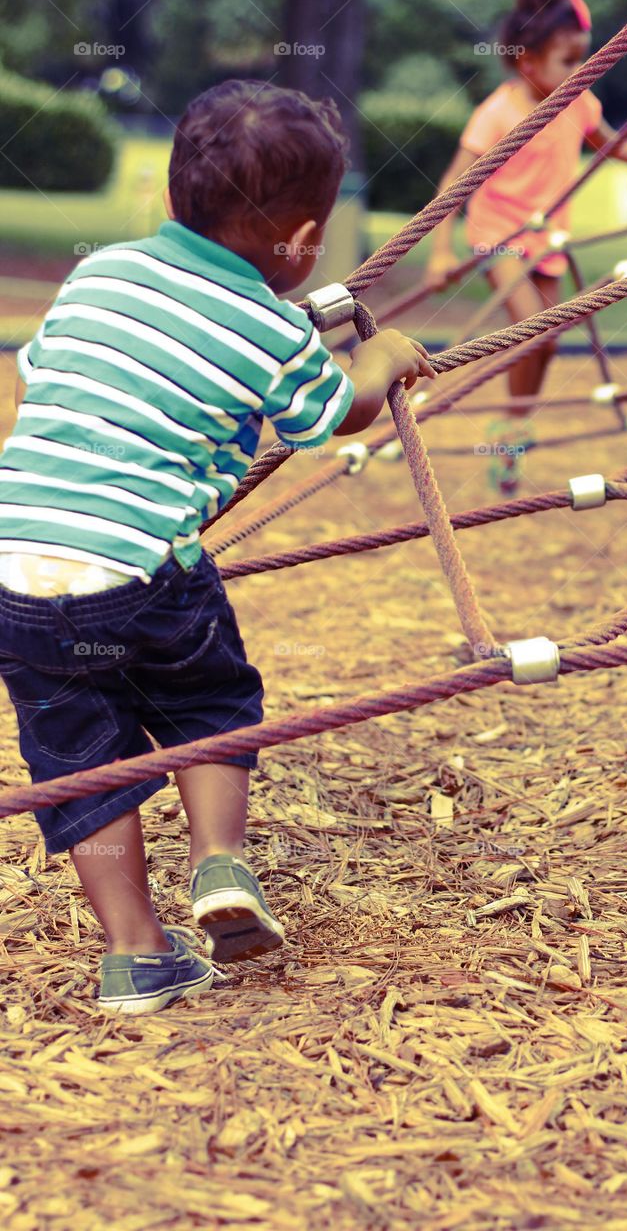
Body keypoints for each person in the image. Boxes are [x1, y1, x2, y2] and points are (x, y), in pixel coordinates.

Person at [0, 79, 434, 1015]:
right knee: (207, 698)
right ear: (306, 240)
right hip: (141, 574)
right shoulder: (271, 328)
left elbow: (44, 376)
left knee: (80, 764)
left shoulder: (100, 274)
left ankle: (134, 955)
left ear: (169, 195)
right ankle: (219, 865)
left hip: (18, 574)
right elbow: (340, 412)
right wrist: (385, 356)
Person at [425, 0, 627, 494]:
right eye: (569, 62)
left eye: (584, 59)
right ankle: (512, 429)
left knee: (546, 341)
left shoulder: (578, 103)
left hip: (547, 238)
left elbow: (610, 142)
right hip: (499, 233)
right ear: (528, 62)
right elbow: (453, 183)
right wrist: (438, 251)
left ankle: (514, 425)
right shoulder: (498, 114)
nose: (581, 71)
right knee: (532, 327)